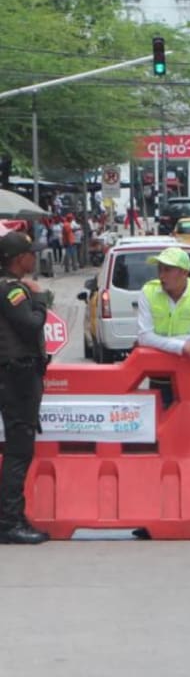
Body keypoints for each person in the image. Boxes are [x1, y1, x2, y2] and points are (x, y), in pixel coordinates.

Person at [0, 232, 50, 544]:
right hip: (17, 376)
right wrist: (40, 297)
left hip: (13, 375)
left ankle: (11, 518)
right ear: (20, 259)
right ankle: (10, 522)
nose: (36, 258)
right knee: (19, 450)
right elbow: (31, 324)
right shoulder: (12, 290)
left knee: (18, 449)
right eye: (32, 253)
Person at [136, 246, 190, 415]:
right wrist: (182, 347)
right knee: (159, 435)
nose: (161, 275)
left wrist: (158, 342)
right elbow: (144, 337)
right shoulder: (148, 291)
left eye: (167, 270)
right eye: (159, 269)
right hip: (160, 375)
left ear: (184, 272)